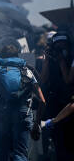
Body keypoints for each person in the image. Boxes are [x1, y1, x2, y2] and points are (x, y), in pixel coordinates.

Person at [0, 37, 45, 161]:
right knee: (20, 152)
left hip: (1, 111)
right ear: (18, 55)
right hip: (22, 112)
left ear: (2, 55)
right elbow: (42, 100)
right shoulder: (26, 70)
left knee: (1, 147)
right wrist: (36, 124)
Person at [39, 32, 74, 160]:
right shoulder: (52, 59)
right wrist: (47, 61)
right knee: (58, 137)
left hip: (69, 101)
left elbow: (68, 80)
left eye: (63, 46)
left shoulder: (71, 59)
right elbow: (43, 79)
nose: (60, 49)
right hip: (55, 101)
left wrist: (62, 62)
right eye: (57, 47)